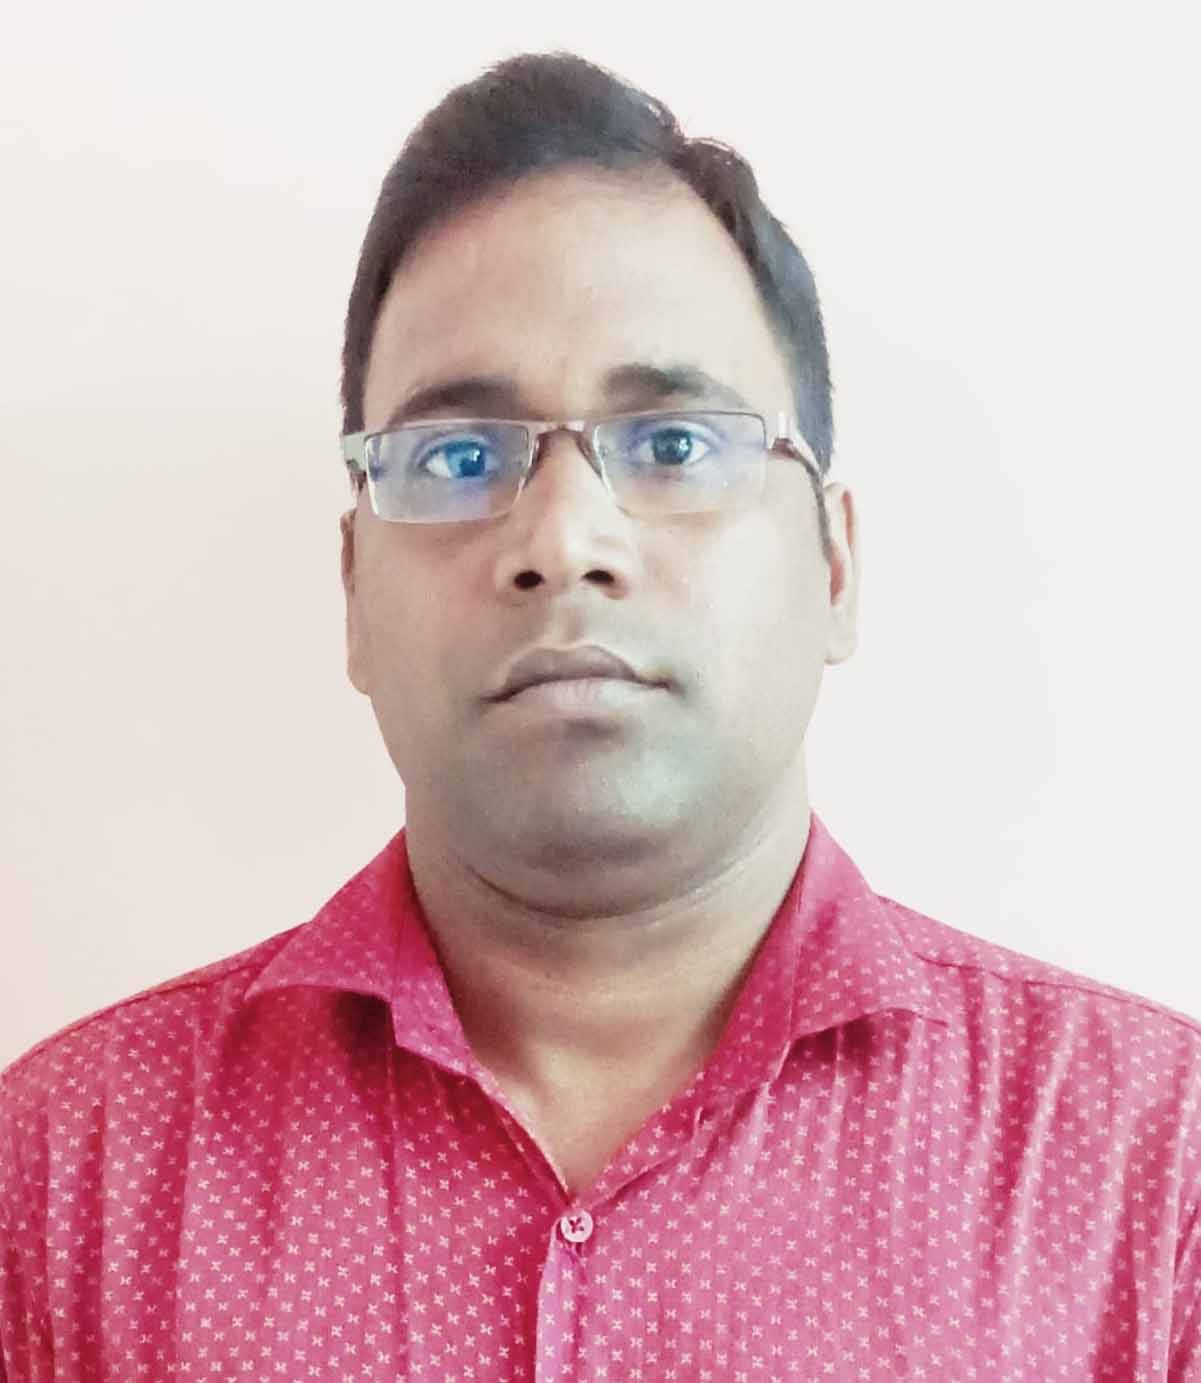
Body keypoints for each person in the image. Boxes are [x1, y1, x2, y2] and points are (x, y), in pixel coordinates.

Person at [1, 49, 1198, 1383]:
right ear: (352, 593)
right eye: (459, 457)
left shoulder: (1155, 1179)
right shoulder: (57, 1181)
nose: (564, 541)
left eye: (674, 445)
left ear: (835, 567)